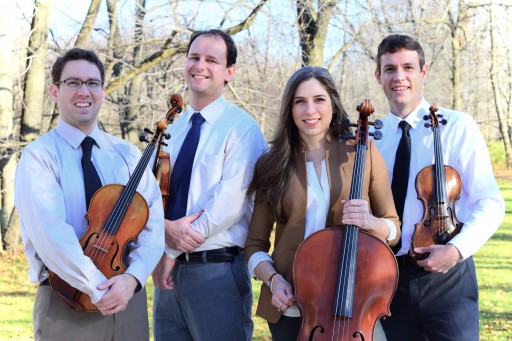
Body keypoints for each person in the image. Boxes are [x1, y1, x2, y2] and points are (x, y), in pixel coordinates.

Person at [13, 48, 165, 341]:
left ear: (103, 91)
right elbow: (52, 234)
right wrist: (97, 285)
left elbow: (152, 224)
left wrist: (132, 278)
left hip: (127, 302)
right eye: (73, 82)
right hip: (66, 297)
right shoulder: (40, 156)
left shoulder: (127, 155)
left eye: (92, 83)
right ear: (54, 91)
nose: (84, 91)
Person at [244, 66, 401, 341]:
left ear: (333, 104)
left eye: (319, 99)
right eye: (300, 101)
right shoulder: (273, 163)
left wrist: (372, 222)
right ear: (289, 109)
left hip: (354, 301)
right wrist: (273, 280)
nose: (310, 110)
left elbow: (394, 229)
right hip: (291, 301)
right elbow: (255, 246)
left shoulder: (362, 150)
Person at [374, 34, 505, 341]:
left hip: (447, 277)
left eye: (408, 67)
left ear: (424, 71)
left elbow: (490, 201)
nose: (399, 77)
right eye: (390, 69)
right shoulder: (372, 139)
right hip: (388, 279)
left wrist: (457, 250)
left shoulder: (457, 126)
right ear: (378, 75)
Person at [150, 29, 267, 341]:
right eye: (194, 57)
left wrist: (171, 247)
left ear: (229, 72)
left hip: (216, 273)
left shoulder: (242, 129)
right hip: (168, 273)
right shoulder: (173, 129)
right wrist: (161, 239)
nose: (200, 65)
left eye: (212, 60)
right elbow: (154, 195)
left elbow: (229, 204)